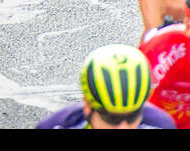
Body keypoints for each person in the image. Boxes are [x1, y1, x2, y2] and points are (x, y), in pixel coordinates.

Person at [37, 44, 174, 129]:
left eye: (132, 117)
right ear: (87, 106)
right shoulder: (55, 126)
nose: (123, 128)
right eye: (112, 119)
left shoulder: (161, 125)